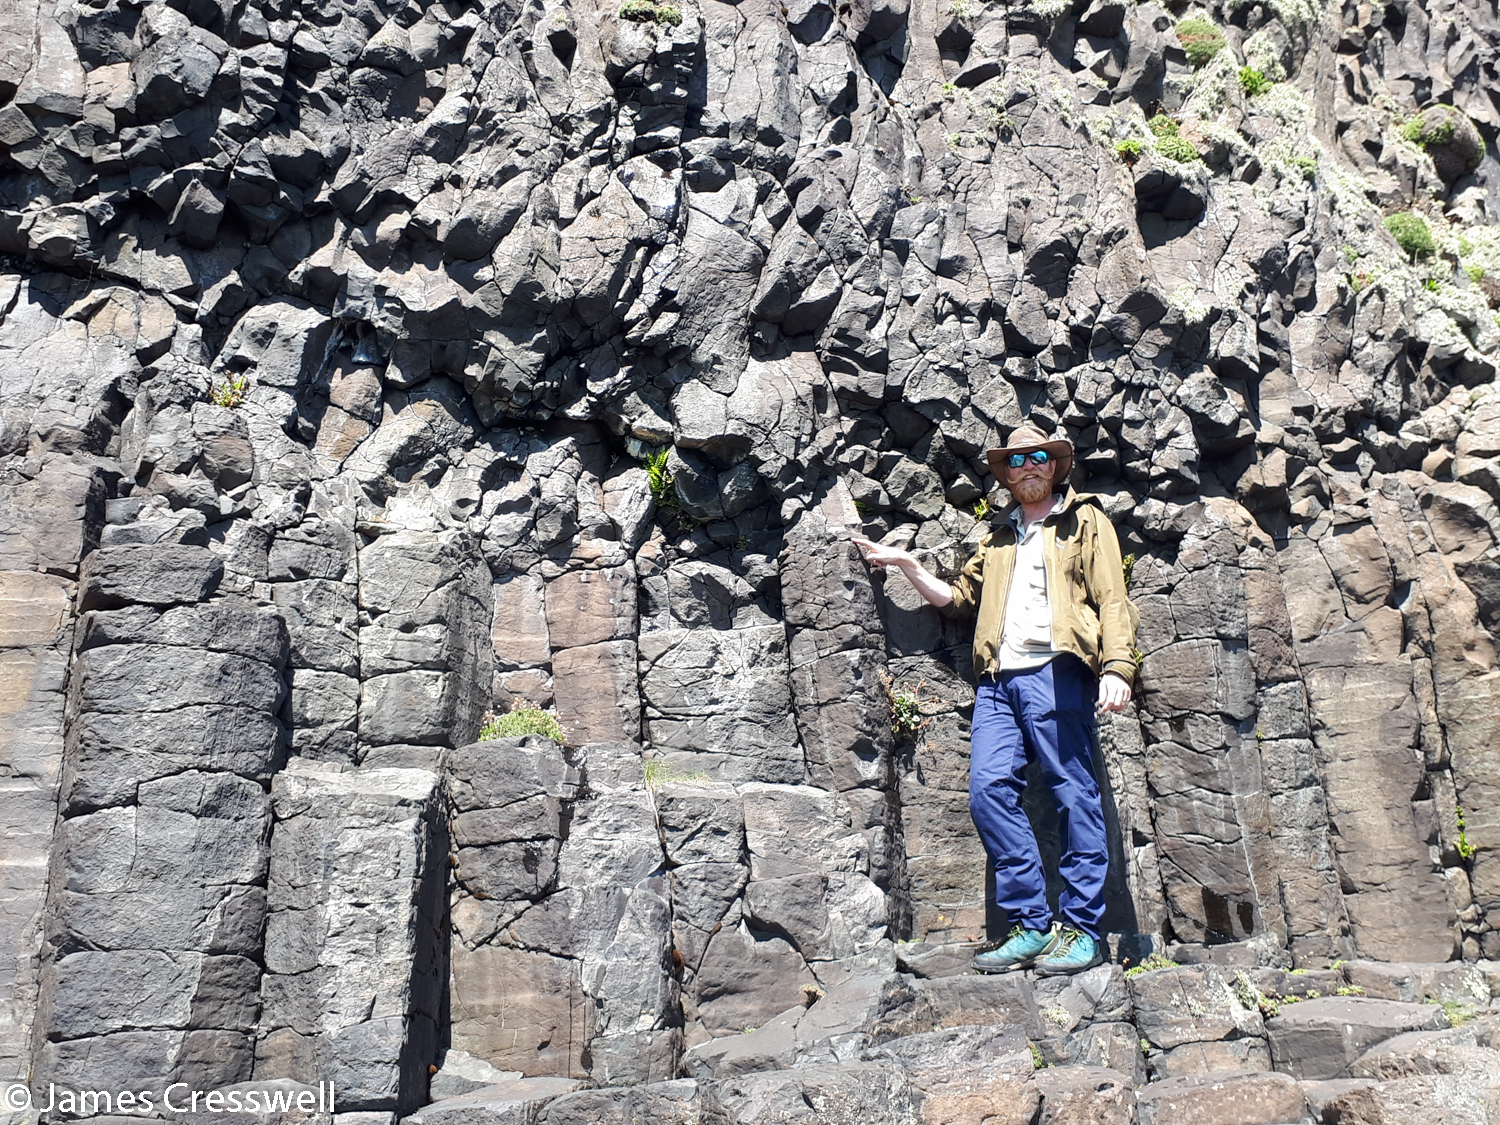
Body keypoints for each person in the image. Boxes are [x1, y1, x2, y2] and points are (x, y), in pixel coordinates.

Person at [853, 423, 1137, 976]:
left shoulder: (1086, 523)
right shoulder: (997, 537)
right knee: (986, 792)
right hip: (998, 683)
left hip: (1059, 672)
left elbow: (1112, 597)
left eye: (1037, 457)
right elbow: (958, 599)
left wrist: (1118, 667)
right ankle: (1031, 925)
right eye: (1016, 461)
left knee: (1073, 795)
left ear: (1053, 466)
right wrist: (908, 566)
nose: (1027, 466)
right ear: (1007, 474)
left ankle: (1082, 931)